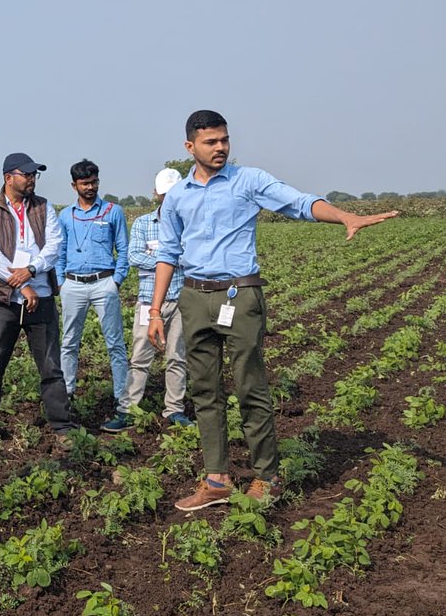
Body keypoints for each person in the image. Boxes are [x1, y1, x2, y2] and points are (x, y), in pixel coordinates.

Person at [150, 110, 397, 511]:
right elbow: (167, 253)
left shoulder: (249, 180)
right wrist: (156, 310)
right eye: (211, 142)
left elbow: (299, 203)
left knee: (250, 386)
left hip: (239, 295)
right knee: (204, 391)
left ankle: (267, 476)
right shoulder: (178, 196)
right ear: (189, 146)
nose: (220, 148)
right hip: (194, 297)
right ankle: (216, 479)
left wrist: (344, 216)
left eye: (224, 140)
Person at [0, 152, 74, 438]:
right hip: (3, 300)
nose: (31, 179)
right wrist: (19, 283)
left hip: (40, 297)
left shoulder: (43, 207)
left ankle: (61, 425)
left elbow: (54, 244)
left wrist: (31, 269)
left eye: (34, 175)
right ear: (8, 178)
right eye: (26, 174)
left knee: (51, 365)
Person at [101, 167, 193, 432]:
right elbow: (134, 257)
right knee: (140, 356)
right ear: (156, 194)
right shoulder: (143, 223)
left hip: (180, 299)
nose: (167, 199)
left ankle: (174, 409)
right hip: (148, 300)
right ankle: (128, 409)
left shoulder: (188, 225)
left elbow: (192, 258)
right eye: (163, 194)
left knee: (176, 356)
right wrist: (169, 260)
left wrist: (163, 259)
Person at [56, 158, 129, 405]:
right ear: (74, 185)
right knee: (69, 342)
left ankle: (122, 396)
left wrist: (116, 281)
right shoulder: (65, 215)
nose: (91, 187)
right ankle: (67, 391)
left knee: (115, 343)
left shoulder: (113, 211)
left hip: (103, 283)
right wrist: (60, 282)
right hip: (72, 285)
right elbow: (60, 251)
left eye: (94, 182)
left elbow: (123, 250)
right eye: (85, 183)